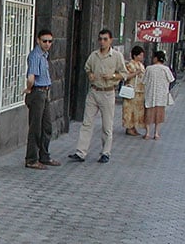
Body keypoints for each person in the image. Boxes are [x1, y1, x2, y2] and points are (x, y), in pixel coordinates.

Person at [69, 29, 128, 164]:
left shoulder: (116, 56)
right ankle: (81, 152)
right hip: (94, 91)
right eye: (100, 39)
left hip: (108, 92)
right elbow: (87, 67)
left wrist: (112, 76)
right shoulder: (94, 55)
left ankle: (105, 152)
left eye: (105, 39)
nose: (102, 42)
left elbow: (124, 73)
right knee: (87, 123)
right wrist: (90, 74)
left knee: (107, 125)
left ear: (111, 40)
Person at [22, 29, 60, 170]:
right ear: (38, 40)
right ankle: (31, 159)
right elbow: (31, 77)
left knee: (46, 126)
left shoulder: (44, 55)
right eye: (44, 41)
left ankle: (44, 156)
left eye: (50, 41)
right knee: (35, 128)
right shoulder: (35, 56)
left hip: (45, 91)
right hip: (37, 92)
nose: (47, 44)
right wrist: (28, 88)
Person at [142, 51, 175, 140]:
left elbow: (144, 81)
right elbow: (171, 80)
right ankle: (156, 134)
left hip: (150, 94)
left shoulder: (149, 68)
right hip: (161, 96)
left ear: (156, 58)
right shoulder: (166, 69)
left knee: (148, 114)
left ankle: (147, 133)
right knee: (159, 115)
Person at [122, 46, 146, 137]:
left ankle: (134, 126)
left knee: (137, 110)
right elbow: (126, 76)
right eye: (140, 55)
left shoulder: (141, 65)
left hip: (140, 90)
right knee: (129, 110)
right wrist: (137, 72)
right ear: (135, 55)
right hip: (131, 89)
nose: (141, 57)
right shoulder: (130, 65)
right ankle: (129, 127)